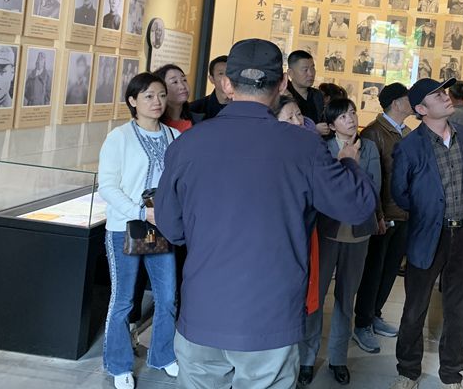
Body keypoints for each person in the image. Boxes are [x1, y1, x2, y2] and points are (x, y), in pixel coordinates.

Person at [155, 39, 377, 389]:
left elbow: (172, 228)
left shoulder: (188, 143)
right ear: (283, 83)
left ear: (227, 84)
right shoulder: (304, 146)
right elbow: (358, 206)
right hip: (270, 314)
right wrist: (350, 163)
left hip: (203, 308)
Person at [389, 77, 463, 389]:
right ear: (421, 109)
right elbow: (400, 193)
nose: (445, 97)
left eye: (444, 92)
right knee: (415, 308)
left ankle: (452, 374)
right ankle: (408, 371)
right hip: (428, 234)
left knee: (459, 310)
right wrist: (427, 211)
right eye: (436, 95)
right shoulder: (409, 146)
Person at [98, 72, 179, 389]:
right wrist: (141, 211)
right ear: (133, 100)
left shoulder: (174, 136)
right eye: (148, 96)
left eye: (161, 95)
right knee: (122, 301)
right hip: (126, 227)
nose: (157, 101)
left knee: (167, 297)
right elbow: (107, 186)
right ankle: (118, 364)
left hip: (161, 227)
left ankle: (163, 355)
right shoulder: (119, 137)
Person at [299, 98, 381, 386]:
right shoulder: (322, 149)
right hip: (326, 231)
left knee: (347, 297)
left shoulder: (368, 148)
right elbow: (322, 190)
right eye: (344, 116)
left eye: (353, 113)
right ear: (332, 125)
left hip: (359, 232)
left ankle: (338, 358)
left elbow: (373, 188)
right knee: (316, 296)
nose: (351, 119)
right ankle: (307, 359)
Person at [353, 83, 413, 354]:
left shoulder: (407, 132)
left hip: (404, 213)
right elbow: (371, 181)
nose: (412, 102)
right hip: (383, 214)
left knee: (390, 270)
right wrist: (377, 214)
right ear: (396, 103)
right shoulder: (373, 134)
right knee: (373, 270)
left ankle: (375, 314)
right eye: (407, 98)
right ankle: (362, 323)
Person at [286, 50, 328, 135]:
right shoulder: (284, 96)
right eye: (305, 70)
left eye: (312, 68)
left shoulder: (318, 95)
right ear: (291, 73)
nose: (311, 74)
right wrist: (313, 129)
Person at [154, 64, 202, 132]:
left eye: (184, 80)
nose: (182, 86)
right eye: (175, 82)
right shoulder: (153, 124)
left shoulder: (200, 121)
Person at [189, 55, 230, 121]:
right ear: (211, 79)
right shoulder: (195, 109)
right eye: (221, 73)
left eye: (230, 73)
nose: (227, 78)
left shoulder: (244, 106)